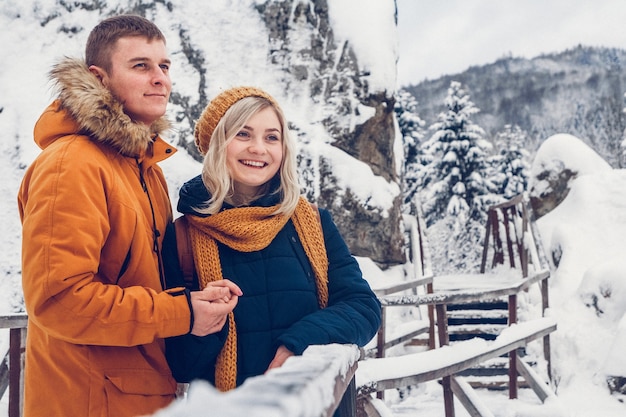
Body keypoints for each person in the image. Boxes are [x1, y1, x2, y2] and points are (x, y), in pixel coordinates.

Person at [17, 15, 241, 417]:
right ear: (98, 79)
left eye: (165, 66)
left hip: (138, 396)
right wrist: (184, 313)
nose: (160, 78)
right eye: (141, 66)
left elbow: (142, 279)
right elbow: (58, 300)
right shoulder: (72, 164)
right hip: (87, 402)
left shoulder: (146, 170)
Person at [163, 86, 382, 394]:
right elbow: (180, 364)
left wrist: (298, 345)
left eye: (271, 137)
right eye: (242, 134)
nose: (258, 148)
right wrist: (206, 323)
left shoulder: (314, 224)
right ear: (217, 144)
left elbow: (364, 308)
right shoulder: (183, 237)